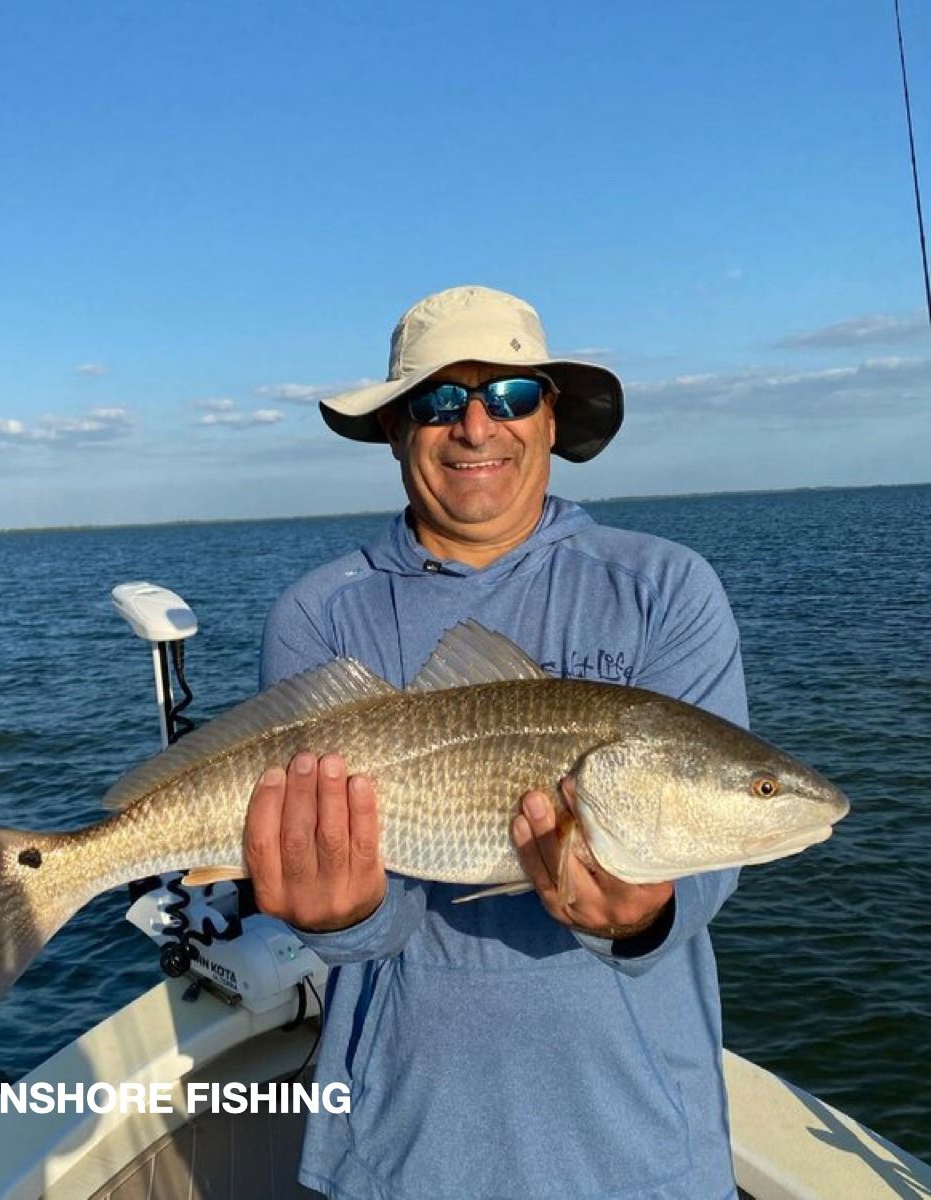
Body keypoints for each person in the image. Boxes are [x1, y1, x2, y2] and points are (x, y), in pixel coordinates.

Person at [245, 285, 746, 1200]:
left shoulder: (665, 588)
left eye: (509, 394)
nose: (476, 426)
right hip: (400, 1148)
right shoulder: (320, 613)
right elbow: (373, 923)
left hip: (640, 1148)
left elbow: (707, 866)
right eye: (439, 400)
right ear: (395, 428)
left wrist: (643, 915)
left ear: (551, 418)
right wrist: (335, 916)